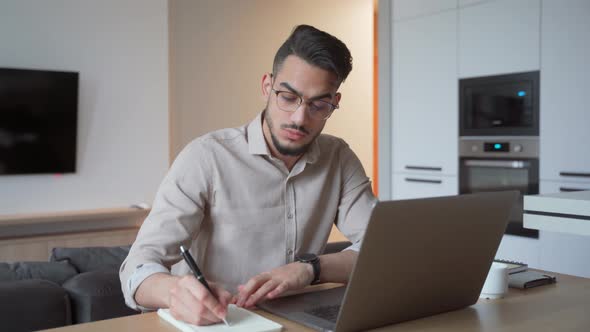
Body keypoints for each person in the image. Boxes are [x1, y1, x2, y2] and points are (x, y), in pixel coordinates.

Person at [119, 24, 376, 326]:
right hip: (221, 323)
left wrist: (310, 269)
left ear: (335, 102)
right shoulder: (206, 157)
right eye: (288, 97)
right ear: (267, 86)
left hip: (299, 322)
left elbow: (380, 249)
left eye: (319, 104)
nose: (299, 117)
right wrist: (176, 292)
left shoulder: (339, 158)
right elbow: (136, 268)